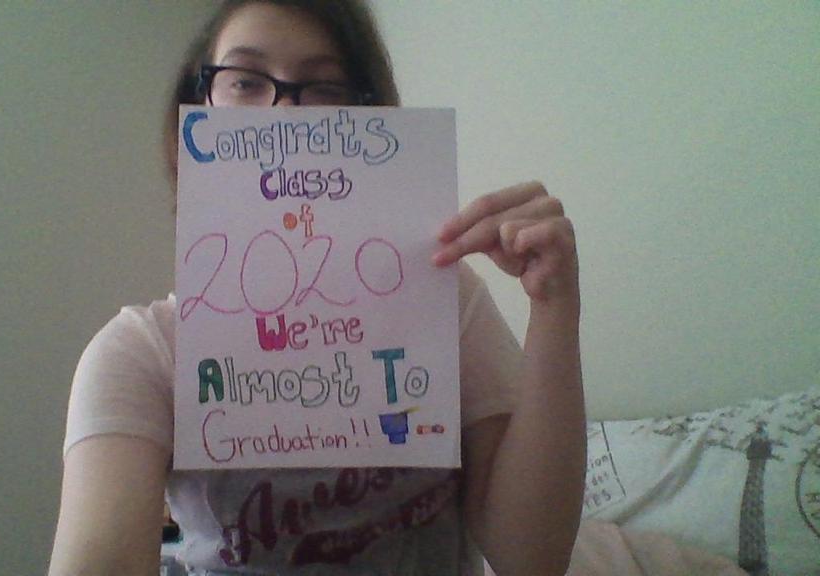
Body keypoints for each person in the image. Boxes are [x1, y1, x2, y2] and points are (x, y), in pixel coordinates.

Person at [48, 1, 585, 575]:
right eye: (245, 81)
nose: (283, 114)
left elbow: (532, 559)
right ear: (196, 105)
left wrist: (554, 307)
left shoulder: (448, 303)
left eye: (326, 87)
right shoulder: (140, 355)